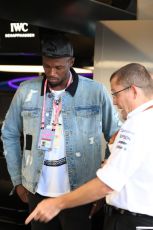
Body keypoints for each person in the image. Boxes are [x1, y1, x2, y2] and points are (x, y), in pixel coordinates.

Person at [1, 32, 120, 230]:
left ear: (71, 62)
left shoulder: (95, 91)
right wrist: (18, 181)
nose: (52, 72)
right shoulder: (25, 91)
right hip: (36, 188)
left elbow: (116, 137)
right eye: (47, 66)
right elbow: (9, 133)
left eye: (58, 67)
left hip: (80, 190)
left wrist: (101, 186)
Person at [25, 63, 153, 230]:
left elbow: (107, 184)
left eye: (116, 94)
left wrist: (57, 203)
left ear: (134, 90)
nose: (114, 101)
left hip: (131, 221)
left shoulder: (136, 125)